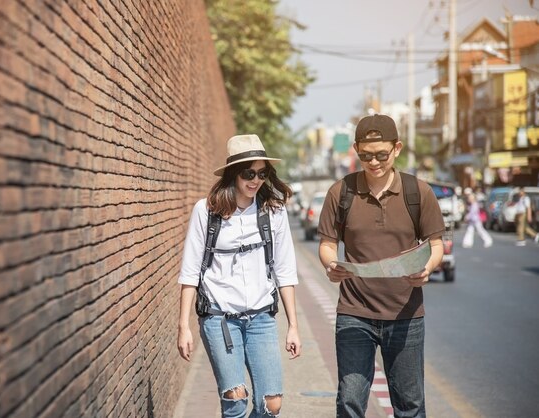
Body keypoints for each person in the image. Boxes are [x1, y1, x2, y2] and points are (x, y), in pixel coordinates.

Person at [317, 114, 445, 418]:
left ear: (397, 149)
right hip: (354, 313)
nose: (373, 162)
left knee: (410, 407)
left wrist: (426, 269)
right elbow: (326, 244)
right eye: (365, 155)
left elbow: (436, 245)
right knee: (349, 402)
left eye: (381, 155)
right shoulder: (341, 192)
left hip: (406, 315)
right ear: (357, 150)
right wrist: (331, 264)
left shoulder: (418, 193)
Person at [177, 134, 301, 418]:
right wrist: (183, 326)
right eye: (248, 173)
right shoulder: (207, 211)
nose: (256, 180)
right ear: (234, 174)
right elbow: (190, 271)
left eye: (262, 173)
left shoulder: (274, 211)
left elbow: (285, 270)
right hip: (220, 319)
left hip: (261, 319)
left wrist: (293, 325)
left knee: (271, 405)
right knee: (235, 401)